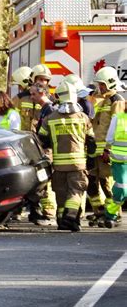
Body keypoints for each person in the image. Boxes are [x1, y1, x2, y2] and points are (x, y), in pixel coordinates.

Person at [38, 81, 96, 231]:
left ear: (58, 97)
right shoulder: (83, 117)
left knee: (61, 194)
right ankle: (71, 218)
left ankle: (62, 221)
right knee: (76, 191)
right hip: (78, 164)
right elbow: (91, 141)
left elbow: (42, 140)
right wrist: (91, 159)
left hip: (58, 164)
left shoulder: (50, 118)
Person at [86, 66, 125, 223]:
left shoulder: (117, 101)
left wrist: (109, 150)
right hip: (97, 148)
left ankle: (114, 213)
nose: (99, 87)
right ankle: (100, 211)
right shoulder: (104, 99)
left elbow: (119, 128)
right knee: (94, 180)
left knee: (107, 182)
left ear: (110, 83)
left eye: (102, 84)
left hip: (107, 150)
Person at [29, 82, 57, 223]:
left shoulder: (49, 110)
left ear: (42, 93)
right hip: (43, 150)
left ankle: (48, 213)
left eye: (33, 94)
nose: (31, 97)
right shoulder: (44, 109)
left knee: (45, 182)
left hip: (48, 151)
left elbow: (48, 134)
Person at [100, 106, 127, 228]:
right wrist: (106, 150)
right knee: (122, 190)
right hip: (120, 162)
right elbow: (109, 139)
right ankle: (110, 213)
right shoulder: (118, 118)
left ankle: (111, 214)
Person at [11, 66, 38, 132]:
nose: (19, 88)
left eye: (19, 85)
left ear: (24, 83)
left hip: (24, 138)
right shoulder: (44, 97)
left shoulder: (18, 98)